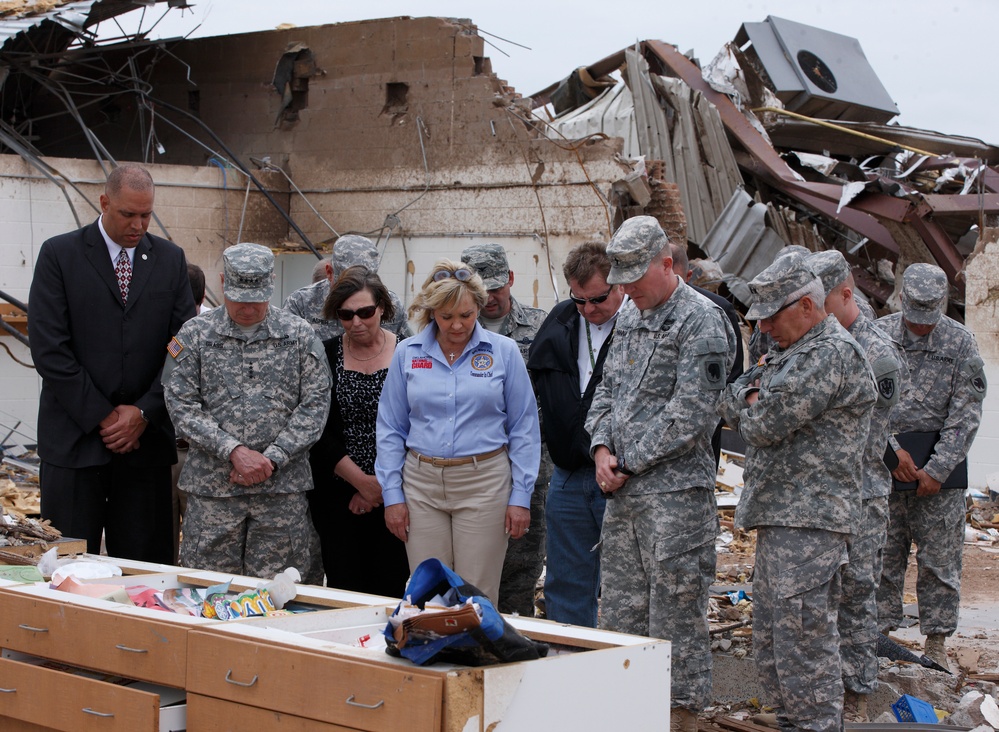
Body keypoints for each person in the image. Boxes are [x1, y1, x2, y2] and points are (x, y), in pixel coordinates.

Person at [585, 216, 734, 732]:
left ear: (667, 264)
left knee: (675, 619)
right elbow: (606, 389)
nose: (625, 289)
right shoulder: (630, 315)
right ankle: (625, 716)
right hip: (624, 499)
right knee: (621, 615)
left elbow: (692, 413)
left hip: (675, 501)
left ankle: (679, 718)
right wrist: (601, 447)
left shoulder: (703, 322)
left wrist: (629, 461)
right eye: (619, 279)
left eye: (634, 277)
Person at [717, 257, 875, 732]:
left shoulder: (830, 354)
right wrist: (754, 394)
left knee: (804, 643)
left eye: (770, 316)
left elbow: (761, 426)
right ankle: (791, 720)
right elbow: (730, 397)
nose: (762, 327)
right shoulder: (793, 349)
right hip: (782, 517)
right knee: (772, 638)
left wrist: (754, 397)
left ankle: (814, 725)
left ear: (807, 305)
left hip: (811, 522)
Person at [28, 164, 195, 563]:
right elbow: (50, 349)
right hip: (74, 445)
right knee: (66, 571)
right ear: (104, 203)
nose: (138, 225)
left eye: (146, 215)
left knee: (145, 575)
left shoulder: (170, 260)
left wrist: (143, 411)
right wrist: (105, 418)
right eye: (128, 214)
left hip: (144, 449)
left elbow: (183, 346)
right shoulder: (59, 255)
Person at [375, 259, 540, 605]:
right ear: (431, 311)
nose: (457, 325)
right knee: (428, 591)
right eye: (446, 316)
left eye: (466, 315)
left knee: (476, 593)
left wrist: (520, 496)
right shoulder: (407, 353)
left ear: (478, 307)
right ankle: (433, 654)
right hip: (421, 484)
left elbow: (524, 426)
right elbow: (390, 427)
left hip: (485, 483)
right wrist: (392, 495)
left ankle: (474, 655)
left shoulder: (504, 352)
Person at [164, 243, 331, 579]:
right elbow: (180, 403)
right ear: (223, 282)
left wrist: (273, 458)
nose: (248, 308)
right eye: (239, 297)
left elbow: (316, 404)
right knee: (207, 591)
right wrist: (234, 451)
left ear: (271, 283)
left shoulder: (298, 335)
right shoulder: (195, 335)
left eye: (257, 299)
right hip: (215, 492)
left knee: (281, 595)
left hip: (280, 493)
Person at [876, 263, 986, 668]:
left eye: (929, 319)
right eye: (914, 317)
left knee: (940, 562)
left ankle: (937, 645)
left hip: (940, 475)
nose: (920, 327)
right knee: (882, 558)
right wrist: (891, 456)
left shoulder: (960, 344)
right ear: (902, 300)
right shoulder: (878, 336)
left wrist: (937, 469)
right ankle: (879, 640)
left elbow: (966, 413)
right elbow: (864, 405)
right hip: (885, 471)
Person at [809, 250, 904, 711]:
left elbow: (866, 438)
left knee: (856, 594)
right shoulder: (812, 343)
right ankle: (819, 690)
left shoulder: (877, 354)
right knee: (816, 597)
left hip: (860, 496)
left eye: (819, 301)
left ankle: (856, 693)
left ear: (846, 294)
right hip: (816, 496)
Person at [527, 241, 626, 627]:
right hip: (568, 473)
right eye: (579, 300)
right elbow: (535, 388)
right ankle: (568, 667)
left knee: (623, 586)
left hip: (619, 476)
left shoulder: (640, 325)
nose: (588, 310)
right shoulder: (562, 319)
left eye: (598, 299)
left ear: (620, 285)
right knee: (565, 583)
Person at [308, 266, 410, 596]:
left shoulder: (410, 353)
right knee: (344, 590)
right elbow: (316, 428)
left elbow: (422, 424)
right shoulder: (324, 354)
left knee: (391, 588)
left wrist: (382, 488)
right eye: (346, 315)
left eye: (365, 312)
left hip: (398, 494)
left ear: (382, 307)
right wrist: (362, 483)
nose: (356, 323)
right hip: (338, 496)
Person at [461, 242, 549, 616]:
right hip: (470, 469)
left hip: (529, 465)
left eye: (497, 287)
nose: (490, 298)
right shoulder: (453, 327)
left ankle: (515, 637)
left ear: (511, 279)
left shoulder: (543, 325)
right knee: (468, 566)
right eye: (482, 290)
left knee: (522, 564)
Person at [670, 241, 744, 467]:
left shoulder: (716, 309)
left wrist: (709, 422)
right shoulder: (638, 311)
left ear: (688, 275)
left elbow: (733, 375)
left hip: (700, 442)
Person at [284, 234, 411, 340]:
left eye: (366, 312)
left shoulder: (392, 305)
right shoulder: (301, 303)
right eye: (346, 286)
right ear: (329, 272)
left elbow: (409, 353)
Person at [170, 262, 209, 563]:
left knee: (201, 549)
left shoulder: (212, 331)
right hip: (164, 451)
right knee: (161, 547)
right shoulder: (169, 332)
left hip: (203, 456)